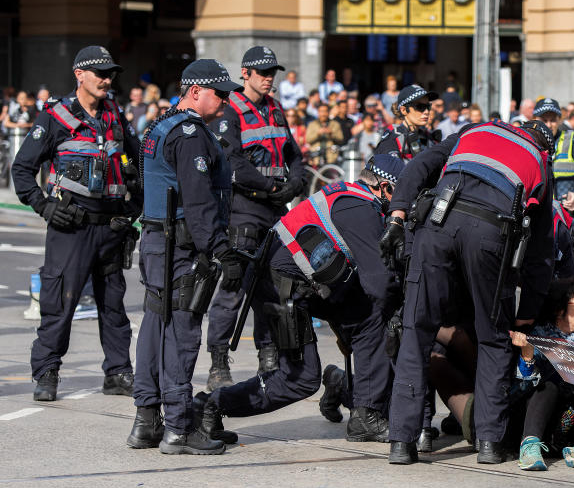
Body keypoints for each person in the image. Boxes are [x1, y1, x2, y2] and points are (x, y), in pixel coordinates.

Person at [194, 156, 405, 445]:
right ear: (384, 188)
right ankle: (210, 405)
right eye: (402, 196)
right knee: (300, 379)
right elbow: (380, 284)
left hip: (301, 282)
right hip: (281, 288)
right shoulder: (361, 208)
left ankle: (363, 412)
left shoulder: (350, 195)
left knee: (368, 320)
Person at [380, 119, 556, 465]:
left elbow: (420, 165)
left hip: (438, 221)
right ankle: (489, 443)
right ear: (546, 146)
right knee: (494, 339)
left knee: (416, 332)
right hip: (491, 234)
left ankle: (401, 441)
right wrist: (526, 314)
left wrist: (397, 213)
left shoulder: (477, 130)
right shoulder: (540, 160)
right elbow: (540, 252)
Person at [127, 59, 244, 455]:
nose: (226, 100)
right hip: (181, 246)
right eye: (220, 93)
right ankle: (178, 427)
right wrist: (220, 250)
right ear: (195, 91)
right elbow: (198, 202)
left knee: (155, 328)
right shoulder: (191, 133)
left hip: (159, 241)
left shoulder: (161, 125)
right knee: (181, 331)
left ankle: (146, 421)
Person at [12, 46, 140, 402]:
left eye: (110, 73)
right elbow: (21, 169)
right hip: (71, 227)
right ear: (78, 74)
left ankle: (117, 373)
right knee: (60, 302)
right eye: (99, 72)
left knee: (113, 305)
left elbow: (138, 161)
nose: (106, 79)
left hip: (110, 227)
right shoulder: (55, 117)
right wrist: (44, 207)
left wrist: (136, 206)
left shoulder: (115, 113)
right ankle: (47, 372)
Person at [204, 47, 306, 391]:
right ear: (245, 73)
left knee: (275, 288)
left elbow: (294, 154)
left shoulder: (275, 109)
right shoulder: (229, 110)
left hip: (276, 211)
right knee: (234, 287)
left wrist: (293, 183)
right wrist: (270, 187)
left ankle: (269, 355)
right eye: (262, 72)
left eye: (271, 72)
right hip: (244, 210)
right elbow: (233, 162)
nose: (268, 78)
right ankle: (218, 360)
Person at [511, 278, 574, 472]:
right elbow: (521, 390)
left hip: (563, 423)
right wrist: (527, 355)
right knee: (550, 386)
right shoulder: (537, 338)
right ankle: (530, 447)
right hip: (530, 418)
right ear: (559, 310)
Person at [534, 97, 574, 277]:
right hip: (540, 224)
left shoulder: (573, 143)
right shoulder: (528, 145)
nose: (549, 124)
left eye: (553, 119)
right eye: (543, 120)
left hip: (571, 224)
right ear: (535, 120)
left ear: (560, 120)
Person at [375, 84, 440, 162]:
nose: (426, 112)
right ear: (403, 110)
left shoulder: (429, 137)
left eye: (428, 106)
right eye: (420, 107)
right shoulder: (392, 139)